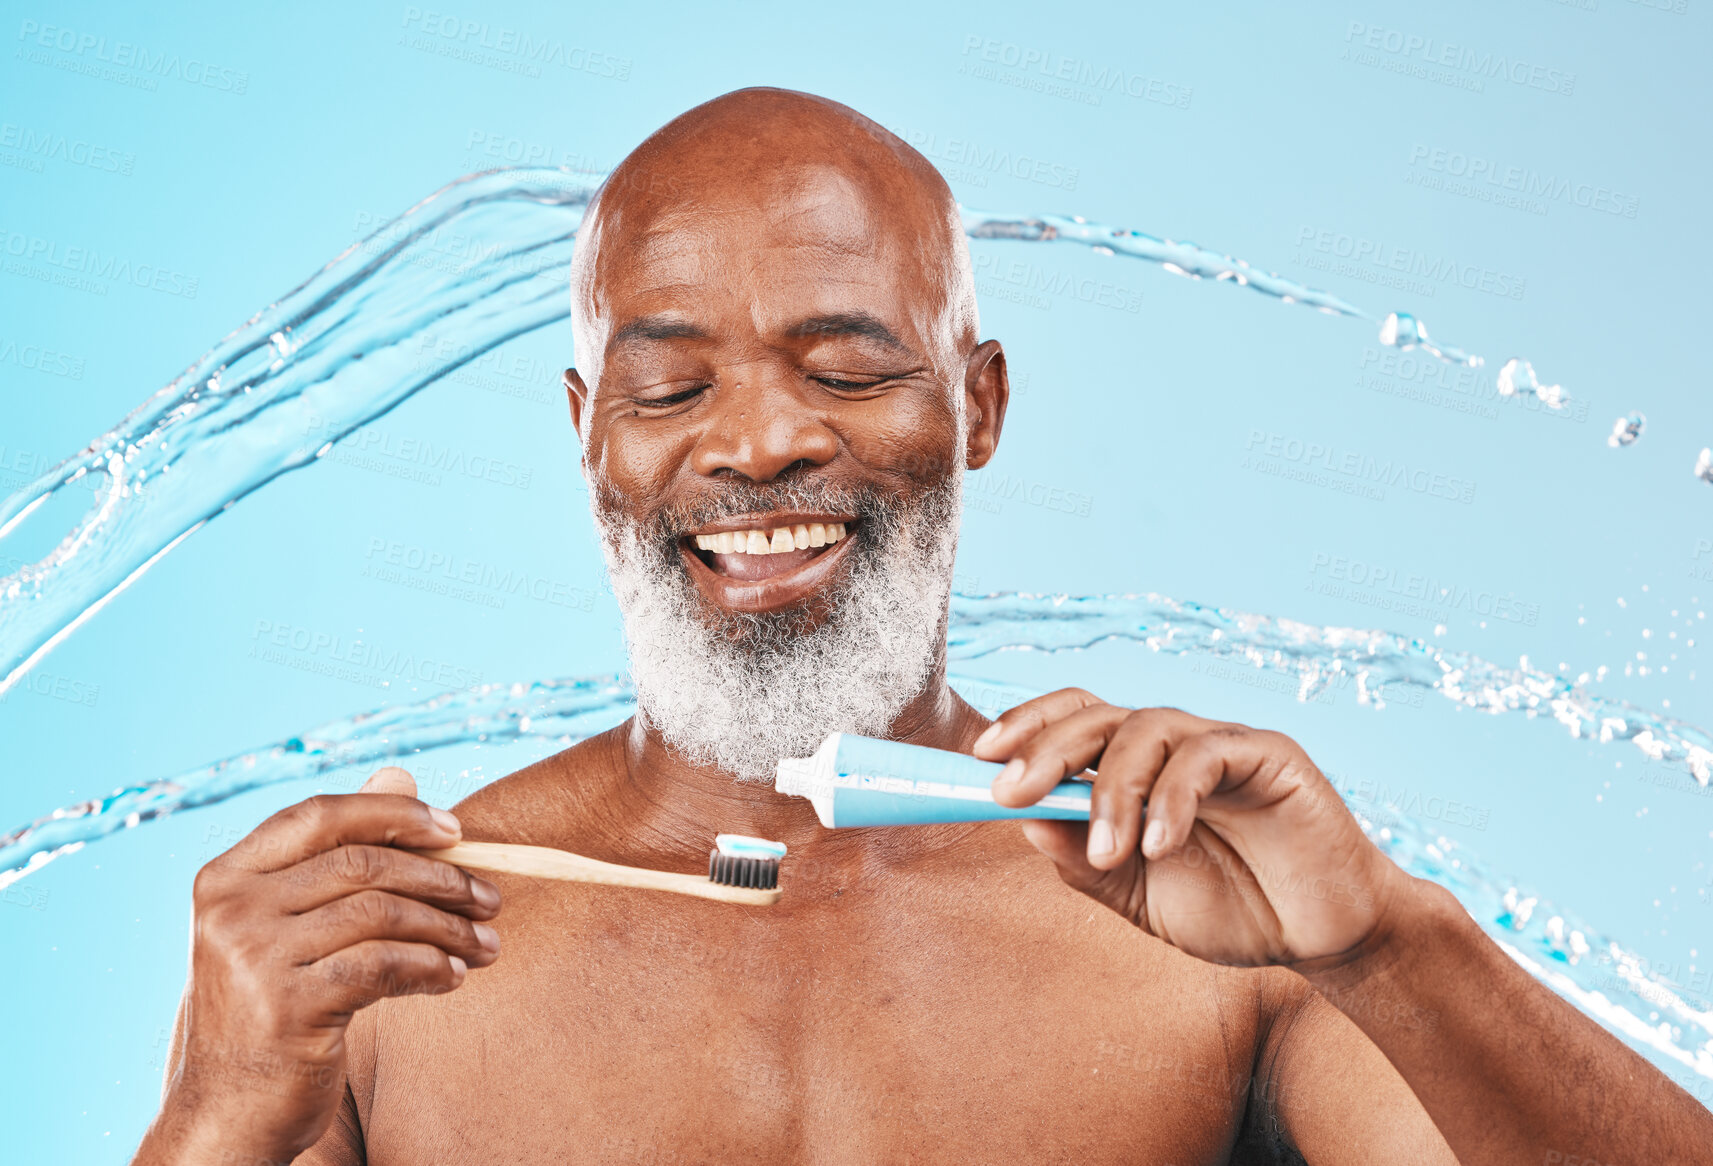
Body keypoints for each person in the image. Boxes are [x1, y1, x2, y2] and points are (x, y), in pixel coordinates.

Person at [133, 88, 1713, 1165]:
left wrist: (1387, 938)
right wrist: (211, 1114)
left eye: (842, 366)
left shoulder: (1202, 927)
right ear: (587, 433)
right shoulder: (387, 959)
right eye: (671, 386)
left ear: (979, 405)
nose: (753, 446)